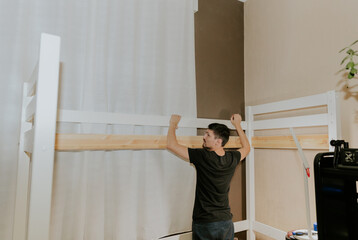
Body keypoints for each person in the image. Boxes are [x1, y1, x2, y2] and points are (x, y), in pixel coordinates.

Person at [167, 113, 250, 240]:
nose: (204, 137)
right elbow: (247, 148)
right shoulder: (232, 158)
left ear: (218, 141)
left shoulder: (203, 157)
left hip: (205, 223)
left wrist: (173, 124)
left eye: (208, 135)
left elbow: (171, 145)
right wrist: (237, 125)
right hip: (225, 221)